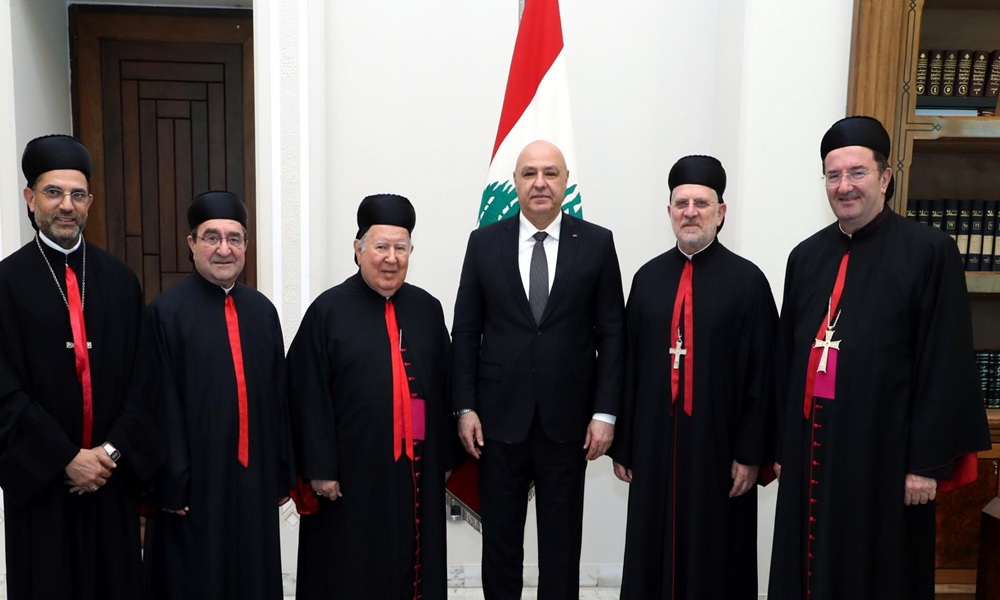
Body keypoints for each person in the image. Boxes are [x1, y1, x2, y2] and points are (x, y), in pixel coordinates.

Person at [768, 116, 992, 600]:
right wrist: (784, 447)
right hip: (813, 449)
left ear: (886, 177)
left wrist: (926, 464)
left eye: (857, 172)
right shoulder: (805, 257)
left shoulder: (930, 251)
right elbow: (786, 361)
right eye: (833, 175)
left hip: (886, 456)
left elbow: (944, 361)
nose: (844, 186)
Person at [451, 140, 625, 600]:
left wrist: (605, 413)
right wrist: (465, 407)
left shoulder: (597, 243)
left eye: (550, 173)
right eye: (529, 173)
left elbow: (612, 334)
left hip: (569, 423)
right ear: (515, 182)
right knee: (501, 545)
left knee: (561, 546)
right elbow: (465, 331)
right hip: (497, 421)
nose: (540, 183)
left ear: (566, 181)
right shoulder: (484, 243)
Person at [610, 155, 777, 599]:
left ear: (720, 212)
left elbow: (763, 375)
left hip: (719, 450)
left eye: (701, 203)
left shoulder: (748, 282)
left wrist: (750, 454)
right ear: (668, 211)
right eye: (681, 203)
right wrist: (625, 444)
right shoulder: (647, 279)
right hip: (654, 448)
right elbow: (627, 365)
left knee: (716, 556)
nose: (690, 212)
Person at [0, 134, 156, 599]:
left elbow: (145, 382)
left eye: (78, 194)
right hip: (43, 485)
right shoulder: (6, 283)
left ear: (90, 202)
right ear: (30, 198)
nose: (66, 205)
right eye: (54, 192)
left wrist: (110, 454)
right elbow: (3, 391)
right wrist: (65, 458)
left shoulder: (121, 281)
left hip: (111, 480)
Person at [287, 193, 459, 600]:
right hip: (348, 477)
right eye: (381, 247)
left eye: (401, 248)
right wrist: (320, 467)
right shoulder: (327, 311)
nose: (391, 259)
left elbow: (440, 387)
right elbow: (304, 394)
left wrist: (441, 457)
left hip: (413, 473)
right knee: (349, 571)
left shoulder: (427, 309)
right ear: (358, 249)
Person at [141, 190, 292, 600]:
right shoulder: (165, 313)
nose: (224, 249)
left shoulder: (262, 312)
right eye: (212, 237)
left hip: (254, 481)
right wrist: (171, 483)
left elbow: (279, 398)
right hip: (194, 487)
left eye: (234, 238)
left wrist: (280, 472)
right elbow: (158, 406)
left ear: (246, 245)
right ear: (191, 243)